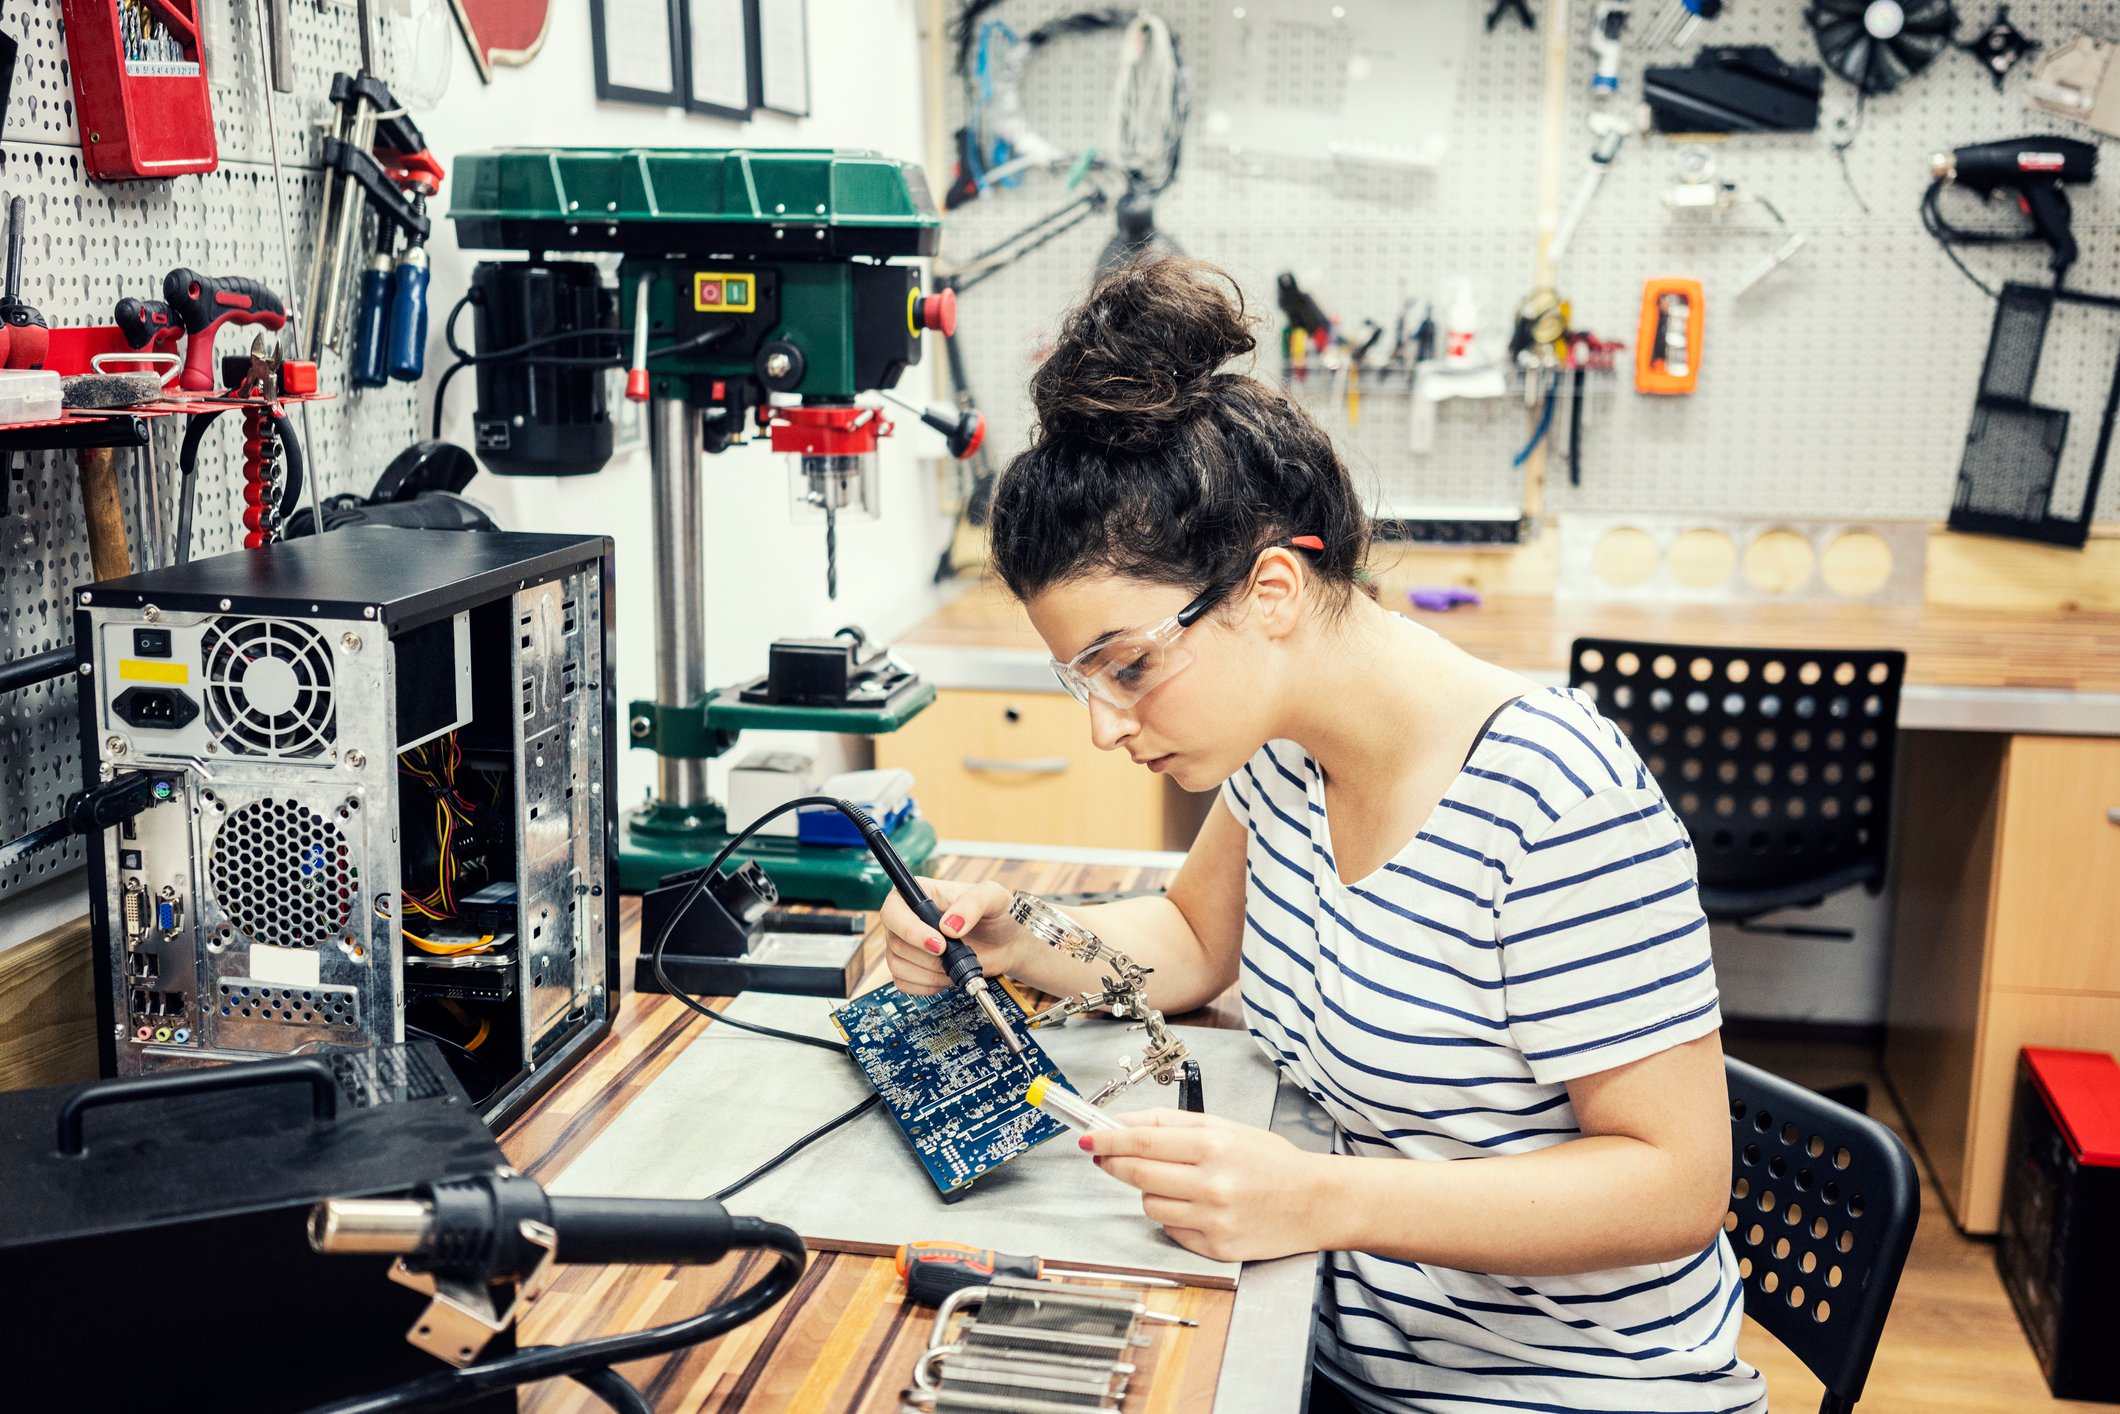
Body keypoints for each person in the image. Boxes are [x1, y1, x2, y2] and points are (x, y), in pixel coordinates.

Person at [879, 257, 1763, 1413]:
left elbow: (1673, 1186)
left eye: (1128, 666)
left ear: (1272, 592)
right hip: (1320, 1346)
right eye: (1078, 680)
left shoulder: (1552, 800)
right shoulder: (1286, 752)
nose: (1103, 725)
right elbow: (1198, 940)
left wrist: (1319, 1199)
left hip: (1558, 1393)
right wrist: (1019, 936)